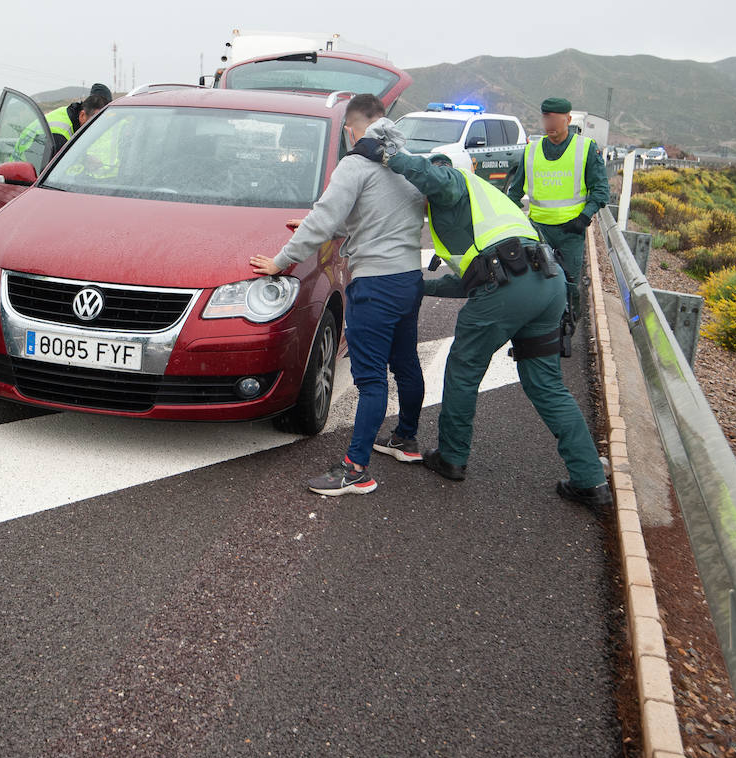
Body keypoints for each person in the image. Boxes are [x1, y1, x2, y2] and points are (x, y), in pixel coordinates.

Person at [351, 135, 611, 508]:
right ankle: (589, 480)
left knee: (463, 369)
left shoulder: (451, 180)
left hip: (508, 286)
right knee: (547, 385)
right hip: (546, 284)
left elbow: (435, 177)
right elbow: (476, 277)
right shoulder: (486, 202)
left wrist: (389, 155)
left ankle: (452, 457)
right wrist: (422, 287)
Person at [249, 94, 427, 496]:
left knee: (370, 379)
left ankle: (355, 468)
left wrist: (281, 260)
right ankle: (406, 440)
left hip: (375, 285)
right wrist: (321, 223)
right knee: (405, 362)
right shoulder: (407, 162)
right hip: (407, 279)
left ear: (351, 127)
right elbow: (376, 216)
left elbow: (328, 218)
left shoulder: (355, 163)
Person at [503, 97, 610, 321]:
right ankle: (538, 323)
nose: (549, 124)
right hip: (538, 230)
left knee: (569, 281)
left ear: (568, 119)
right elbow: (514, 192)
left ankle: (569, 321)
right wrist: (513, 219)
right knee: (535, 280)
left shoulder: (585, 148)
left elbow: (600, 190)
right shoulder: (531, 151)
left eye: (554, 119)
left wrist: (584, 217)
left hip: (570, 231)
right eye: (546, 118)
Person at [14, 82, 111, 163]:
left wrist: (86, 160)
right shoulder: (59, 133)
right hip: (19, 180)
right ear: (82, 115)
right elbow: (54, 174)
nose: (97, 126)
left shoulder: (73, 117)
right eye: (95, 121)